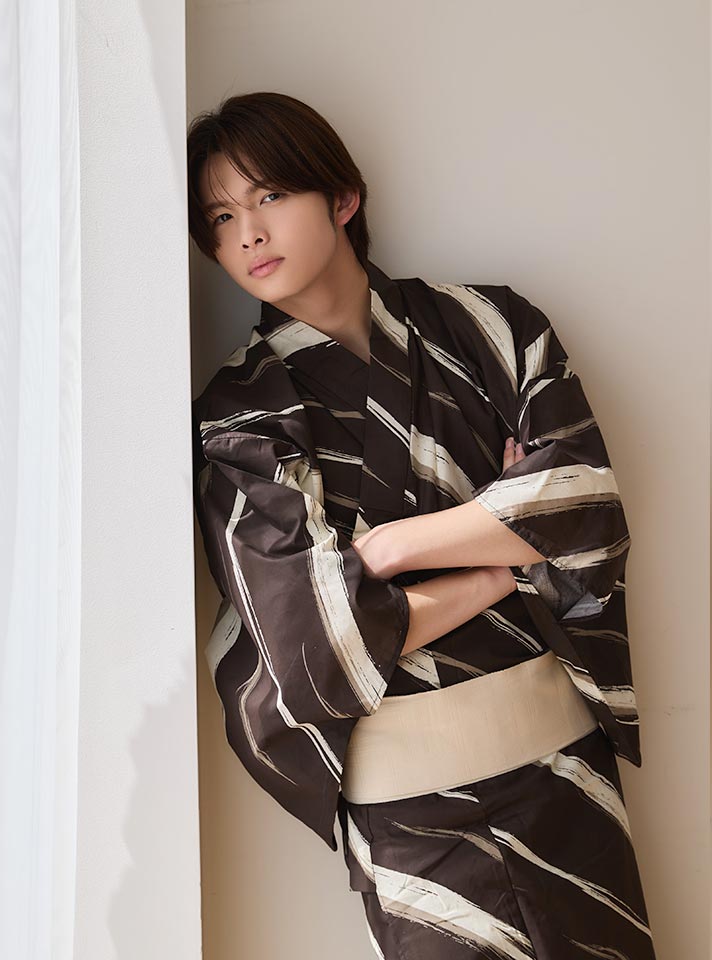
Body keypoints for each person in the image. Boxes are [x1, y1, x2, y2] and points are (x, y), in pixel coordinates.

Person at [187, 91, 657, 959]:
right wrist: (500, 555)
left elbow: (581, 503)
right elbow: (307, 637)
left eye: (269, 195)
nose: (248, 233)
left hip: (563, 772)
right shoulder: (241, 417)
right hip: (409, 815)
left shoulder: (491, 328)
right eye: (220, 217)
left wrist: (388, 550)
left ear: (342, 197)